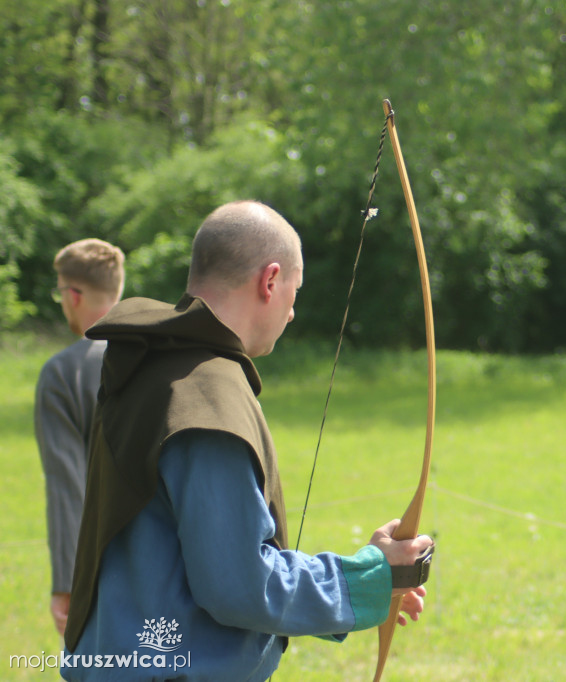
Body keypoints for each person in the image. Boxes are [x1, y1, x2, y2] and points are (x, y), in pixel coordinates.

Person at [62, 201, 433, 681]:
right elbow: (238, 584)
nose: (294, 312)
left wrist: (368, 578)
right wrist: (368, 577)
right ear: (270, 280)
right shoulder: (205, 396)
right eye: (294, 293)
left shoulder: (154, 365)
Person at [35, 238, 125, 637]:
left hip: (105, 569)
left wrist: (67, 585)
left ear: (72, 295)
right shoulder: (168, 357)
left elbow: (66, 485)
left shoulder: (62, 375)